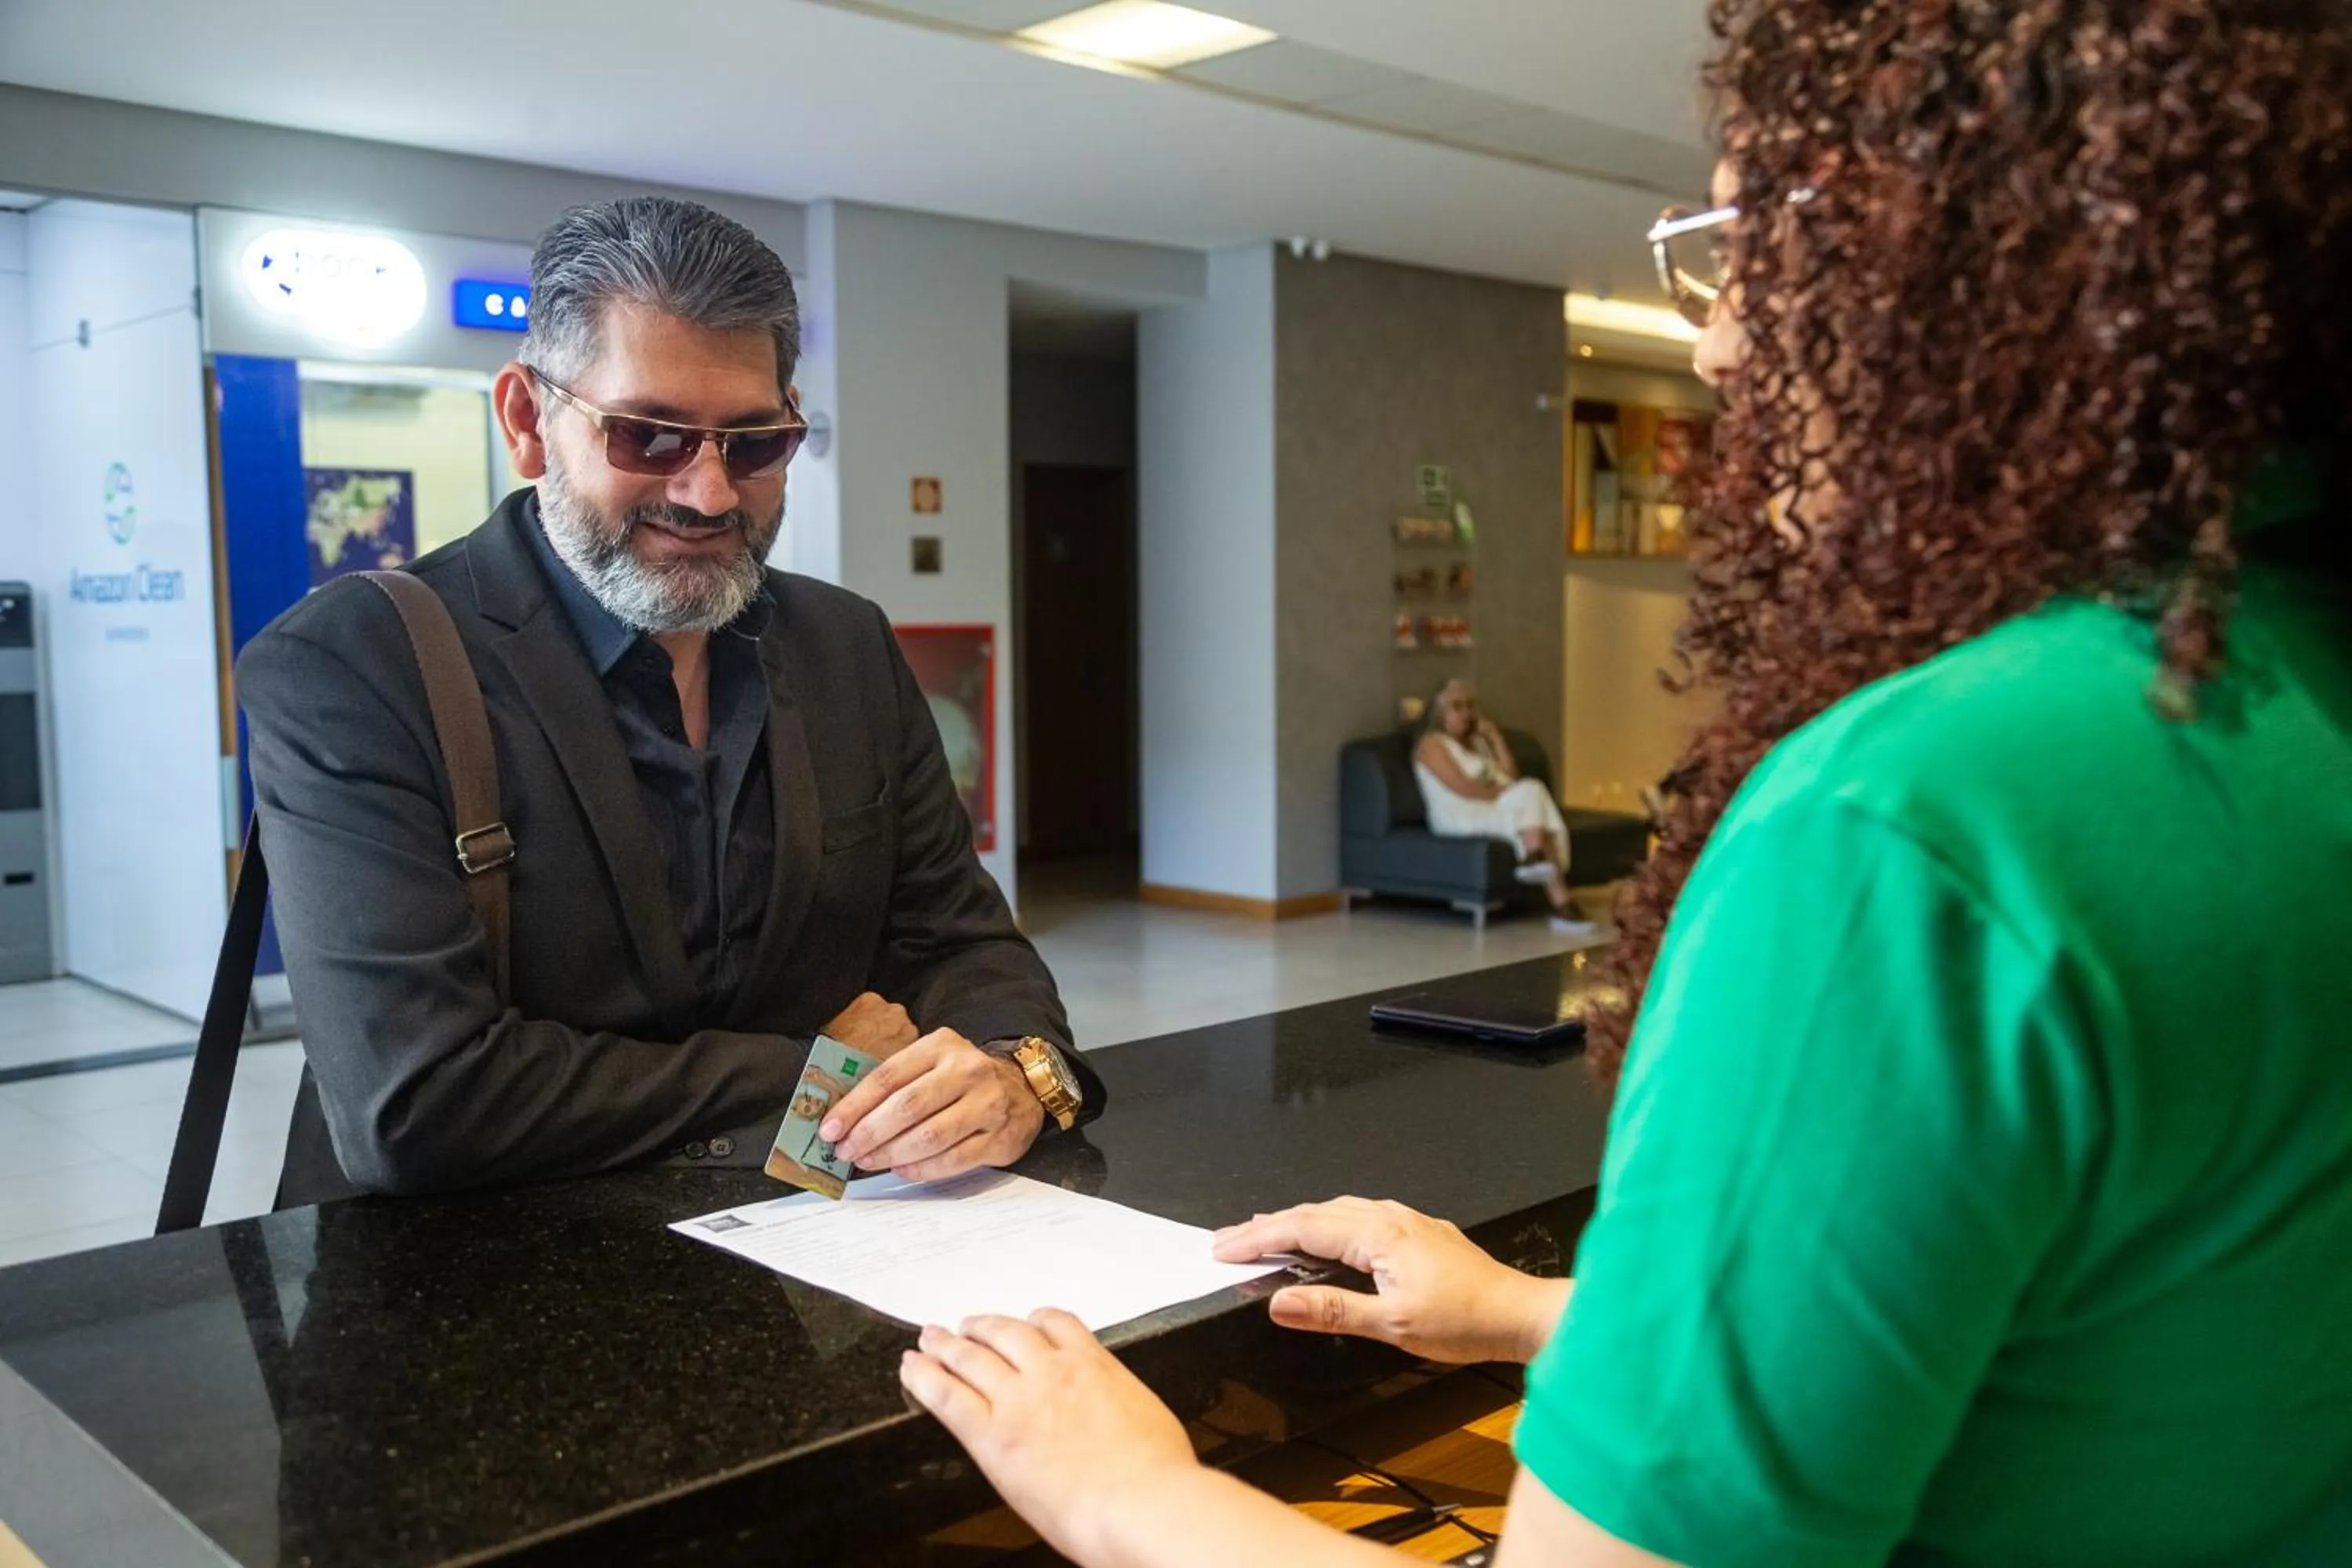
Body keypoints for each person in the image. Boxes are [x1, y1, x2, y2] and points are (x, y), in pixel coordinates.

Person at [895, 2, 2352, 1563]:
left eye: (1758, 233)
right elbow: (2108, 1327)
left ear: (2000, 254)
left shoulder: (1907, 827)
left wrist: (1124, 1492)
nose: (1722, 335)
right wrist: (1540, 1311)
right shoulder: (2283, 689)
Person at [240, 197, 1102, 1206]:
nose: (707, 494)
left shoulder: (845, 645)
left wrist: (1014, 1070)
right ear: (529, 421)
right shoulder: (354, 664)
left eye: (754, 443)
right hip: (456, 1294)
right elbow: (418, 1098)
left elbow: (956, 937)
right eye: (648, 436)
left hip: (805, 1262)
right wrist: (819, 1069)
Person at [1412, 679, 1592, 932]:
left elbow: (1510, 777)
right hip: (1457, 812)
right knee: (1531, 795)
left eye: (1469, 706)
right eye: (1457, 707)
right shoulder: (1432, 744)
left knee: (1532, 793)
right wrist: (1502, 793)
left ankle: (1539, 864)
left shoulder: (1477, 744)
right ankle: (1556, 895)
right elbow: (1462, 787)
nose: (1466, 713)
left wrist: (1494, 738)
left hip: (1487, 806)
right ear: (1440, 712)